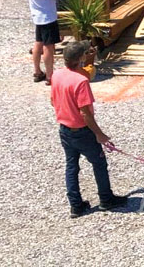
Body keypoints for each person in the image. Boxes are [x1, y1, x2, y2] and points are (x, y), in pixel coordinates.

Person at [51, 39, 127, 218]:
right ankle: (106, 199)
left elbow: (53, 101)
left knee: (71, 166)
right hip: (82, 131)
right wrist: (99, 134)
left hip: (64, 129)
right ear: (80, 58)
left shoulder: (56, 75)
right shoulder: (80, 81)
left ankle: (76, 205)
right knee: (99, 163)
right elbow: (85, 113)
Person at [28, 0, 63, 85]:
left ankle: (37, 71)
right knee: (49, 47)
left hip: (38, 15)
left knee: (38, 43)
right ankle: (50, 76)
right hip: (47, 17)